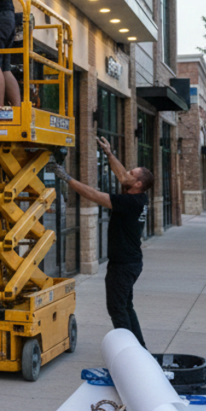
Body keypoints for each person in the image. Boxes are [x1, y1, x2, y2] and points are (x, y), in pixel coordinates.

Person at [50, 136, 153, 348]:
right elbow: (122, 175)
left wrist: (66, 178)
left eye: (132, 174)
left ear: (138, 184)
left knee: (117, 308)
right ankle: (139, 348)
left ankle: (130, 351)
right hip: (130, 262)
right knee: (126, 306)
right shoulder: (139, 197)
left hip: (123, 265)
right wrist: (109, 154)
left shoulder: (129, 202)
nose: (127, 173)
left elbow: (94, 195)